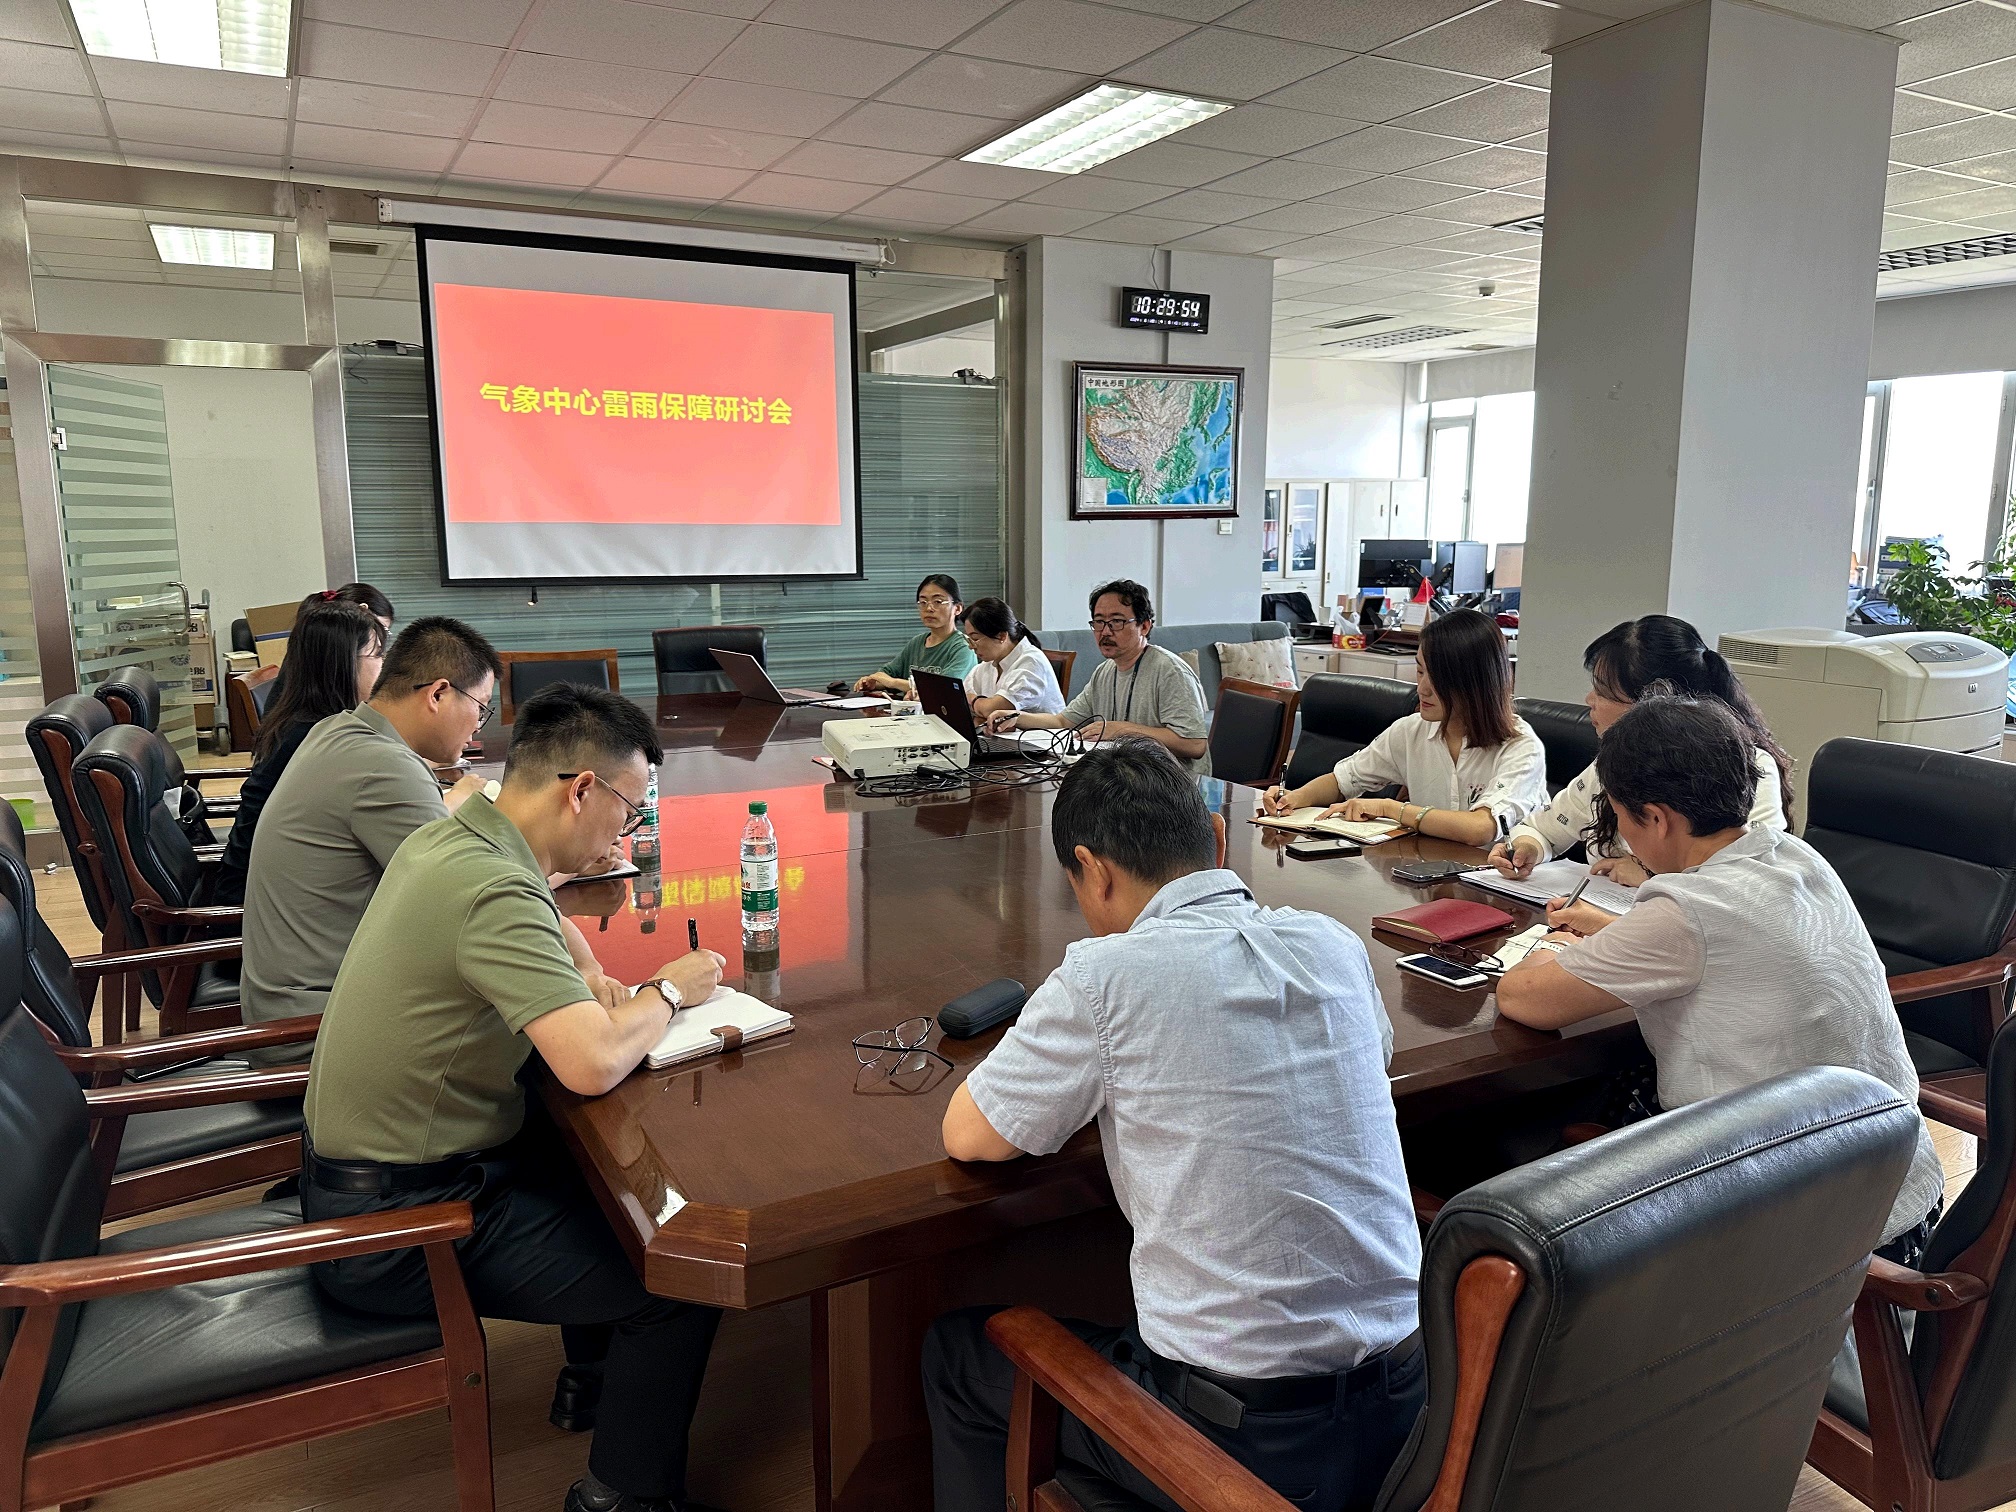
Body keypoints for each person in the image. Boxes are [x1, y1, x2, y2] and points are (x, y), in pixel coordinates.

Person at [924, 740, 1424, 1512]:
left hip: (1244, 1446)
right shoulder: (1332, 943)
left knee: (958, 1352)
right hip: (1411, 1411)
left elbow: (972, 1136)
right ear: (1218, 841)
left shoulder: (1104, 976)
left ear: (1091, 870)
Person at [301, 684, 728, 1512]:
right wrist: (670, 990)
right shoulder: (493, 890)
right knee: (681, 1276)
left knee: (589, 1168)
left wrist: (583, 962)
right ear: (580, 790)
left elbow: (536, 907)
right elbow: (595, 1063)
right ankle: (622, 1499)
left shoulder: (456, 835)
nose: (627, 834)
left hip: (371, 1174)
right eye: (630, 812)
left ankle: (592, 1378)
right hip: (394, 1226)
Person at [1495, 695, 1945, 1256]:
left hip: (1801, 1230)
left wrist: (1554, 942)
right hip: (1900, 1186)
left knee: (1523, 1133)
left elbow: (1524, 999)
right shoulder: (1797, 858)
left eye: (1620, 816)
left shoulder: (1686, 912)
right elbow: (1722, 944)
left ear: (1656, 818)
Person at [240, 615, 498, 1051]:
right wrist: (565, 862)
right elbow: (468, 904)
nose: (478, 724)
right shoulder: (385, 765)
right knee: (522, 1031)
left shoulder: (337, 727)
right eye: (481, 706)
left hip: (288, 999)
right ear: (437, 693)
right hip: (318, 1026)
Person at [1488, 614, 1790, 885]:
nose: (1589, 699)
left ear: (1655, 706)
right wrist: (1526, 847)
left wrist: (1650, 876)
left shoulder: (1743, 769)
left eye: (1604, 693)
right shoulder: (1612, 764)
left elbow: (1745, 882)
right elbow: (1543, 829)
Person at [1260, 608, 1544, 847]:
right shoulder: (1410, 731)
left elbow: (1481, 828)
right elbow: (1344, 780)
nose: (1422, 688)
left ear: (1475, 682)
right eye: (1420, 671)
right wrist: (1293, 799)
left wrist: (1389, 808)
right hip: (1431, 874)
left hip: (1503, 888)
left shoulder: (1521, 747)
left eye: (1438, 679)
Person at [211, 598, 386, 909]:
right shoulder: (322, 736)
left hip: (261, 885)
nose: (385, 666)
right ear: (344, 663)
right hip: (257, 906)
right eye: (378, 655)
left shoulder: (302, 718)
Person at [985, 580, 1209, 766]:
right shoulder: (1105, 671)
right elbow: (1064, 720)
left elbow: (1194, 744)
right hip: (1125, 780)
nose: (1105, 632)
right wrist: (1017, 717)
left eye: (1117, 622)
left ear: (1145, 626)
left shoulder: (1169, 671)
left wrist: (1122, 730)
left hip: (1173, 788)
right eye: (1099, 622)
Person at [855, 573, 977, 697]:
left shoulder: (964, 647)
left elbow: (943, 687)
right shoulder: (917, 642)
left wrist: (894, 682)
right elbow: (888, 672)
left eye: (938, 602)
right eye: (923, 602)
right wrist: (874, 682)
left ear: (957, 608)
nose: (929, 608)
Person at [960, 596, 1063, 718]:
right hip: (1003, 734)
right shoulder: (990, 662)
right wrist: (976, 702)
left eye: (975, 639)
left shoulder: (1031, 661)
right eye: (969, 639)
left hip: (1040, 735)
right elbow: (961, 698)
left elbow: (991, 710)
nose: (971, 647)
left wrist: (974, 700)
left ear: (1002, 636)